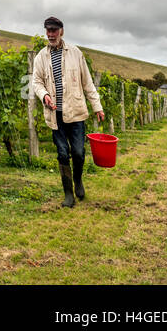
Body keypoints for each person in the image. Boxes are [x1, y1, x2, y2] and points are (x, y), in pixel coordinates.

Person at [31, 16, 105, 208]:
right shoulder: (41, 57)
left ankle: (78, 180)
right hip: (55, 115)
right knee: (63, 153)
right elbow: (36, 82)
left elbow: (87, 82)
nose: (50, 34)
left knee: (79, 152)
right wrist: (44, 95)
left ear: (61, 31)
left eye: (54, 30)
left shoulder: (75, 53)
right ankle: (68, 194)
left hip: (76, 113)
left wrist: (97, 106)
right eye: (48, 30)